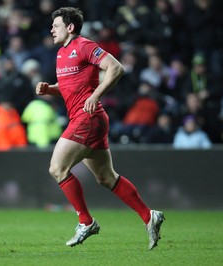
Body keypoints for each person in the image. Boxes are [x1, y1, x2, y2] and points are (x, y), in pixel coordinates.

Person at [35, 7, 165, 250]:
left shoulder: (84, 45)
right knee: (106, 177)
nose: (52, 29)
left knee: (57, 168)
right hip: (88, 118)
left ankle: (86, 221)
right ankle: (149, 216)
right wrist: (50, 89)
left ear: (70, 27)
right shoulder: (62, 53)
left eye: (57, 25)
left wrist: (95, 95)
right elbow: (70, 86)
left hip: (87, 118)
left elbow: (116, 68)